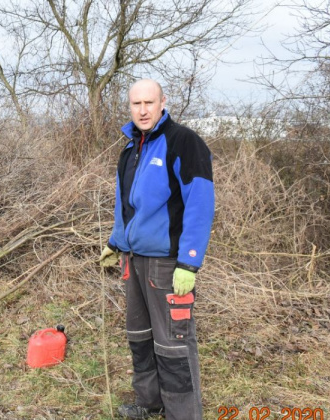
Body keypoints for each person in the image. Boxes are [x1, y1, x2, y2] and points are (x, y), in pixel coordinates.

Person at [99, 79, 215, 420]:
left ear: (163, 102)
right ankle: (149, 403)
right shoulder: (131, 147)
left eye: (149, 102)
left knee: (173, 344)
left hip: (167, 264)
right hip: (133, 260)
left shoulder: (183, 142)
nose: (143, 110)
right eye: (136, 104)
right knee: (140, 336)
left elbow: (200, 203)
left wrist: (189, 262)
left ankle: (183, 414)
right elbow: (128, 206)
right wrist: (115, 242)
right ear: (130, 107)